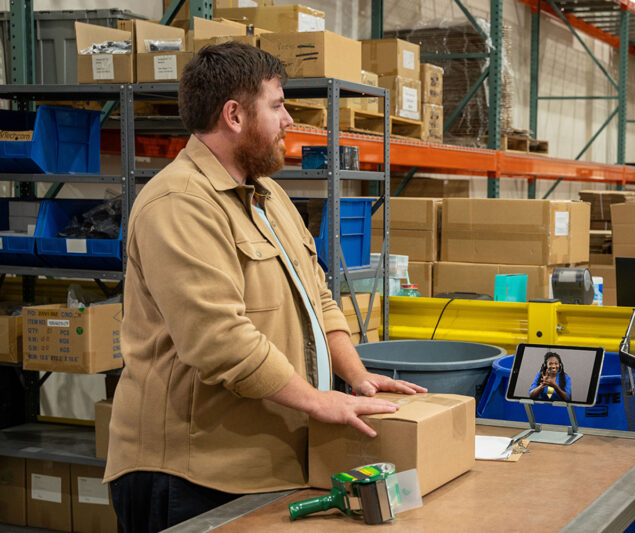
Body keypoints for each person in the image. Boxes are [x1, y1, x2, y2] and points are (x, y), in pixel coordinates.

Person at [103, 42, 426, 532]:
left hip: (266, 464)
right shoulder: (179, 202)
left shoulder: (267, 195)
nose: (289, 120)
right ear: (234, 115)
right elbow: (218, 340)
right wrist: (319, 400)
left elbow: (318, 295)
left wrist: (355, 375)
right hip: (192, 473)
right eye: (277, 106)